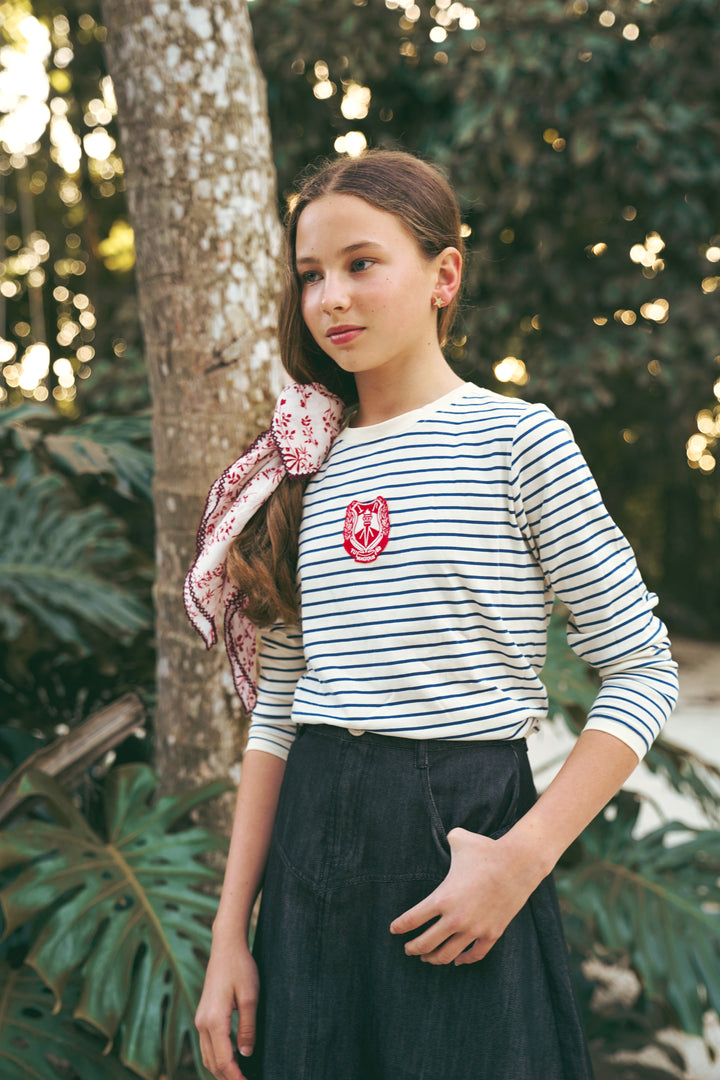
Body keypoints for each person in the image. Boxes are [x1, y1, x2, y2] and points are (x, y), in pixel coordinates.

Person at [187, 149, 678, 1080]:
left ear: (444, 275)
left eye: (361, 264)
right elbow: (280, 709)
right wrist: (229, 935)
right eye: (310, 275)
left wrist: (522, 861)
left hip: (466, 839)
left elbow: (644, 670)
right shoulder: (295, 471)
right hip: (311, 855)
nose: (330, 296)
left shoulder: (519, 442)